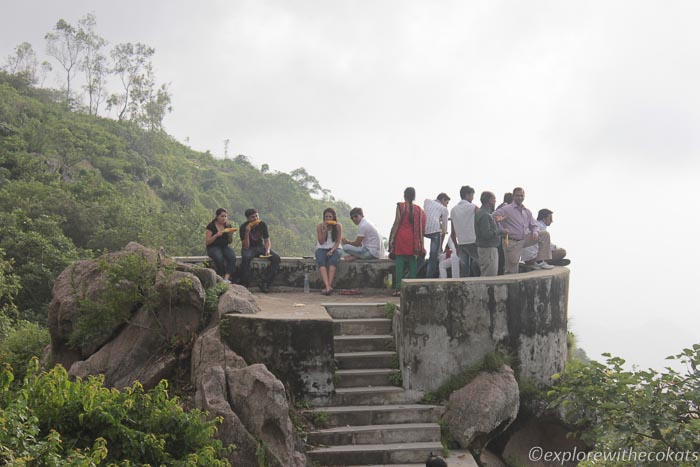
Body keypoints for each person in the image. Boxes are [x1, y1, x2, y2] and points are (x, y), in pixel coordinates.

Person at [494, 187, 554, 274]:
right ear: (513, 197)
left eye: (521, 196)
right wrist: (500, 228)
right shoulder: (507, 209)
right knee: (512, 269)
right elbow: (492, 217)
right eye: (517, 196)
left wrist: (535, 231)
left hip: (524, 239)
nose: (520, 198)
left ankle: (541, 262)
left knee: (544, 234)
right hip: (511, 241)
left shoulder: (526, 211)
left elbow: (534, 225)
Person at [389, 187, 426, 296]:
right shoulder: (418, 209)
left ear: (404, 195)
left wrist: (392, 238)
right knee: (412, 263)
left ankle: (398, 289)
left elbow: (396, 223)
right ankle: (412, 287)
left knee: (399, 263)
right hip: (413, 239)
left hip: (401, 236)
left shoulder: (401, 206)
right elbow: (420, 227)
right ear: (414, 196)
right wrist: (420, 243)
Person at [239, 208, 281, 293]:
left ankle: (265, 282)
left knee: (276, 258)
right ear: (248, 219)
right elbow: (246, 246)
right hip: (250, 248)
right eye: (252, 217)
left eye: (256, 216)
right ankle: (245, 283)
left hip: (260, 247)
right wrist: (247, 232)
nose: (255, 219)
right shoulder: (243, 227)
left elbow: (267, 240)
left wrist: (268, 250)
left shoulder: (262, 224)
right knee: (246, 258)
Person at [450, 185, 480, 277]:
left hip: (461, 243)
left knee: (464, 268)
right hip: (474, 241)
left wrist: (456, 246)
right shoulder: (473, 207)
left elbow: (453, 231)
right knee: (479, 264)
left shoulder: (453, 210)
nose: (473, 198)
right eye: (472, 195)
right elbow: (482, 219)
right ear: (467, 195)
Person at [474, 191, 503, 276]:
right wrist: (501, 231)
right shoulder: (485, 215)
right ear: (489, 200)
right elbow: (486, 234)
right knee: (490, 276)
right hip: (488, 250)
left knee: (486, 274)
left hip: (485, 249)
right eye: (494, 199)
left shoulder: (482, 213)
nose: (495, 202)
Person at [205, 208, 237, 283]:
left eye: (225, 216)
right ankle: (221, 276)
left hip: (224, 246)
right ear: (217, 216)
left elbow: (230, 242)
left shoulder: (228, 225)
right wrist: (216, 235)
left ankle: (227, 277)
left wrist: (230, 234)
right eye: (222, 216)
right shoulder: (211, 226)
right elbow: (207, 242)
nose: (224, 218)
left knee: (232, 257)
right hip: (213, 246)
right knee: (219, 257)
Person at [315, 207, 343, 295]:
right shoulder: (320, 226)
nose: (328, 219)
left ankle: (328, 286)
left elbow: (338, 241)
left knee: (333, 261)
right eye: (326, 217)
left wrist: (332, 250)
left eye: (330, 217)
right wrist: (324, 231)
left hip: (335, 247)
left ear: (333, 217)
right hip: (321, 248)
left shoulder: (338, 226)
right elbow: (321, 242)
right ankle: (327, 286)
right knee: (321, 261)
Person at [423, 192, 450, 279]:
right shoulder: (444, 209)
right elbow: (444, 230)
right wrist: (441, 246)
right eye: (446, 203)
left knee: (420, 254)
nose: (446, 205)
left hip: (423, 229)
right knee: (433, 257)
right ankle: (429, 278)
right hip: (435, 230)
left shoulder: (427, 201)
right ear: (443, 200)